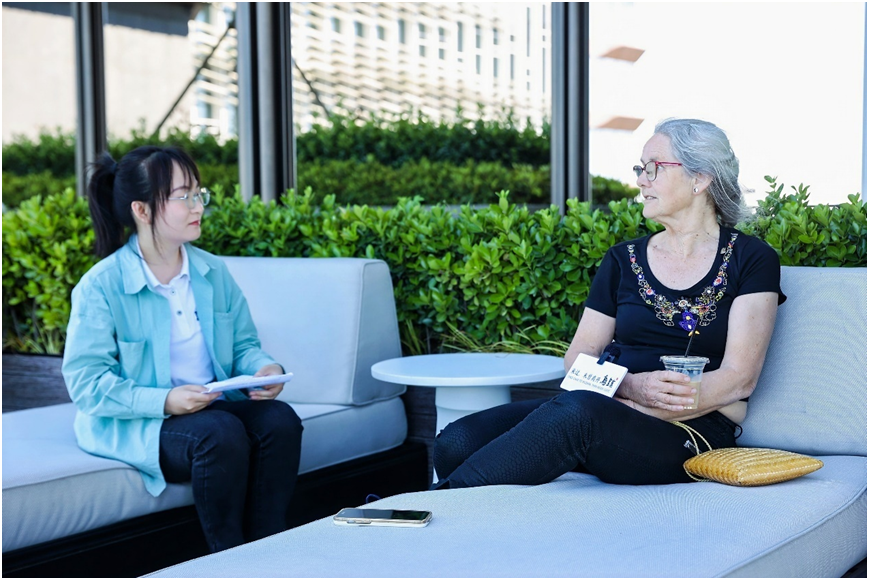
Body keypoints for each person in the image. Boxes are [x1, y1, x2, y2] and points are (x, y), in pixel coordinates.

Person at [431, 118, 787, 489]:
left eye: (654, 168)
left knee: (579, 414)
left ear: (700, 178)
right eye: (640, 169)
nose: (641, 180)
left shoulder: (751, 258)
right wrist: (631, 388)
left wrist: (640, 408)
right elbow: (578, 358)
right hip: (606, 410)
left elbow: (738, 379)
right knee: (458, 441)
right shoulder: (622, 259)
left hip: (689, 430)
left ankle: (424, 509)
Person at [61, 145, 303, 553]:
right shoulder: (101, 285)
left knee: (279, 420)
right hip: (142, 421)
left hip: (210, 408)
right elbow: (87, 385)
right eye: (183, 196)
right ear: (142, 210)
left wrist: (264, 368)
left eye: (198, 193)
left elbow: (244, 344)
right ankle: (226, 559)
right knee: (220, 433)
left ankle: (270, 549)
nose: (198, 206)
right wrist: (165, 400)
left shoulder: (211, 271)